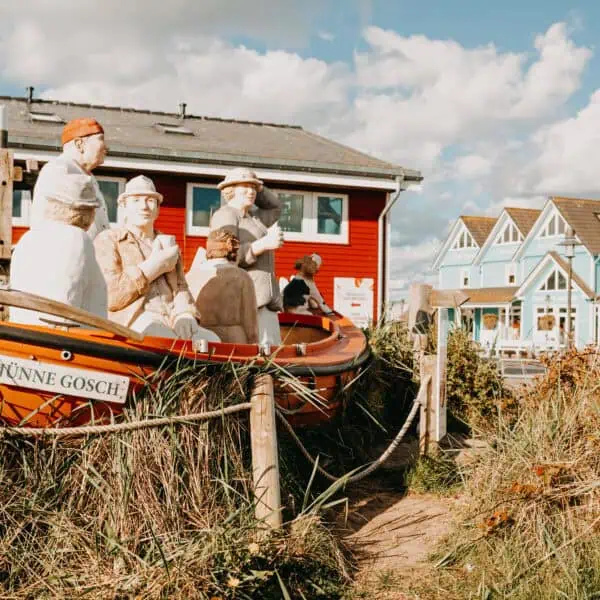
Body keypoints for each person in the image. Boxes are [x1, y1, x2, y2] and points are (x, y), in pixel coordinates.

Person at [94, 175, 215, 340]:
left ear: (158, 208)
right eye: (136, 200)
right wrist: (153, 266)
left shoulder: (168, 243)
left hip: (170, 318)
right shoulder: (109, 240)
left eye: (150, 200)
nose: (144, 206)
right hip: (133, 319)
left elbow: (181, 287)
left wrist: (184, 314)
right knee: (162, 338)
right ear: (123, 206)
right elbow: (112, 296)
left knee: (212, 341)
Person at [10, 173, 108, 325]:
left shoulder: (28, 238)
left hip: (25, 335)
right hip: (67, 343)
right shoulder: (77, 238)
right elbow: (64, 309)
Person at [209, 167, 284, 345]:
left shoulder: (254, 218)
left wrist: (259, 185)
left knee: (272, 352)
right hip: (246, 300)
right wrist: (261, 245)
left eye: (253, 188)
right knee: (257, 352)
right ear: (231, 189)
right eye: (245, 187)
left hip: (265, 298)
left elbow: (276, 207)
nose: (251, 192)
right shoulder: (226, 215)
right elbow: (222, 256)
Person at [30, 118, 110, 239]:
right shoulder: (58, 170)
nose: (106, 147)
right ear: (79, 144)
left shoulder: (88, 176)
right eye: (101, 140)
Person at [186, 230, 259, 344]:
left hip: (200, 344)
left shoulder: (190, 276)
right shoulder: (242, 277)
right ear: (234, 252)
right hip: (234, 346)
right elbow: (251, 328)